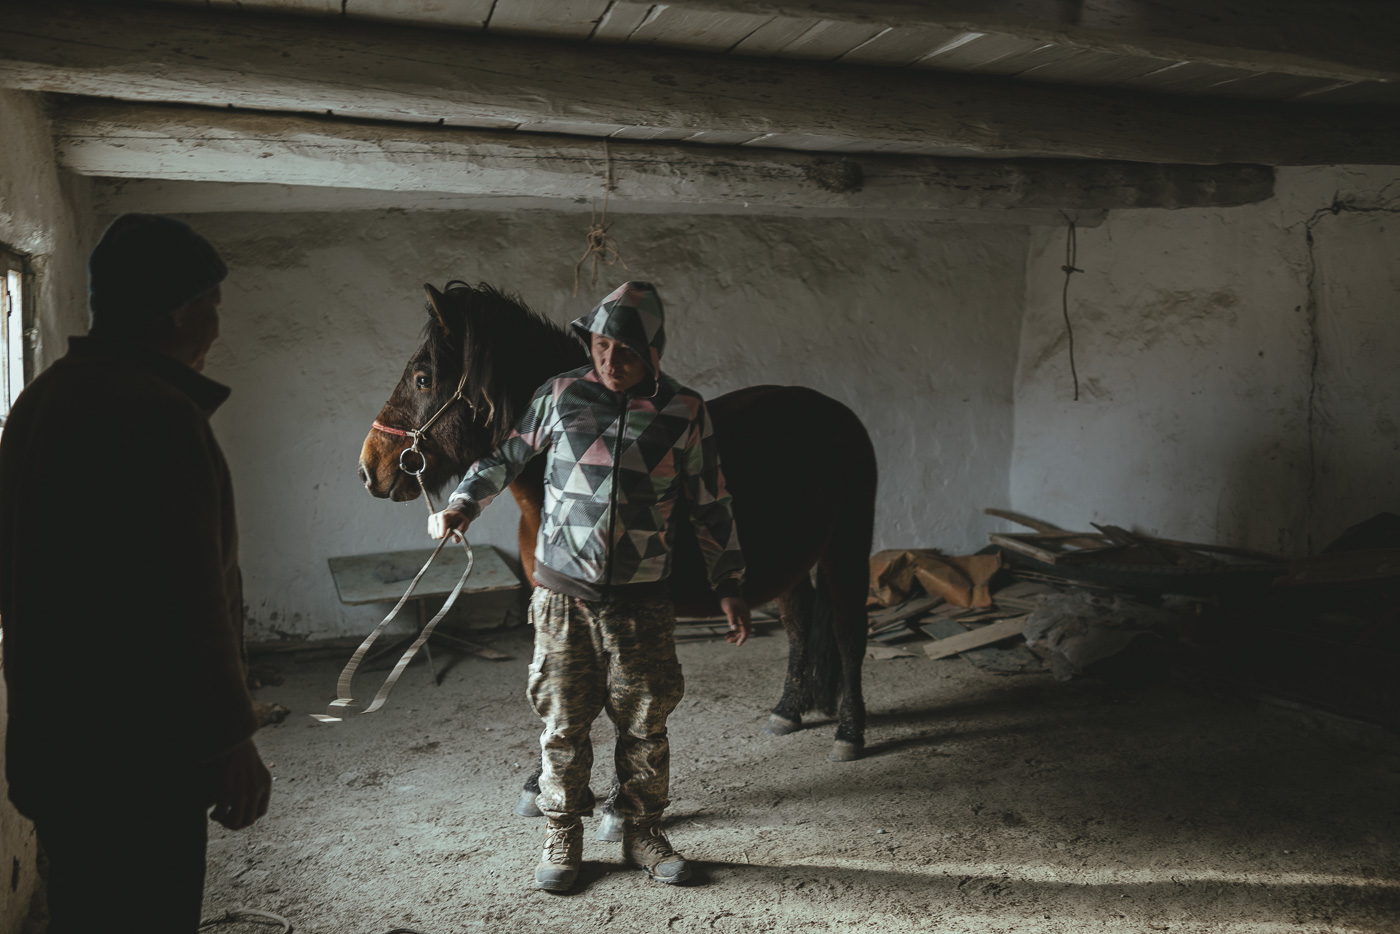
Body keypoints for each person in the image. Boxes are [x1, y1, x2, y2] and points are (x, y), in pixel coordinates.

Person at [427, 281, 751, 891]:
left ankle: (642, 831)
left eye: (623, 350)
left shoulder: (684, 411)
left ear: (653, 352)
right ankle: (563, 834)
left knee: (645, 722)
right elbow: (506, 456)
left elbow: (712, 502)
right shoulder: (560, 394)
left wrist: (728, 581)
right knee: (564, 723)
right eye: (601, 346)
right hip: (562, 597)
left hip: (643, 600)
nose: (608, 360)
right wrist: (463, 502)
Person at [0, 214, 271, 932]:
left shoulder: (39, 404)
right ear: (177, 309)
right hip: (142, 761)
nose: (217, 325)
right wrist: (230, 739)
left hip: (56, 749)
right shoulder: (158, 416)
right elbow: (190, 601)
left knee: (87, 910)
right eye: (212, 305)